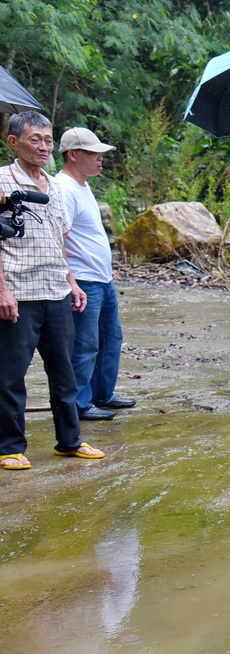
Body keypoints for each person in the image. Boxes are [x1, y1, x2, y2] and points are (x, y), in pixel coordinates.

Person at [0, 111, 104, 470]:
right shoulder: (2, 181)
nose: (44, 146)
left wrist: (72, 282)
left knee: (65, 371)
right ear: (13, 142)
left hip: (55, 290)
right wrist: (2, 291)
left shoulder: (56, 186)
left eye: (48, 139)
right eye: (35, 139)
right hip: (18, 290)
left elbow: (59, 240)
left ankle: (70, 441)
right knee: (11, 374)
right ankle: (10, 447)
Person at [55, 127, 135, 422]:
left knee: (110, 338)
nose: (101, 159)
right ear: (73, 155)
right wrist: (71, 282)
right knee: (85, 344)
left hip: (102, 279)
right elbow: (58, 239)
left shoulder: (83, 185)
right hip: (84, 280)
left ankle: (102, 393)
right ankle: (80, 403)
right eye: (94, 154)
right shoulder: (62, 189)